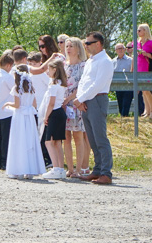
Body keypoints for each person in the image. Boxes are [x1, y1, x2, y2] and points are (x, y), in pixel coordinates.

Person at [73, 32, 114, 185]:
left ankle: (106, 173)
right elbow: (84, 81)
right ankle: (97, 170)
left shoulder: (105, 61)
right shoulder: (91, 60)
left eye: (89, 43)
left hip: (97, 99)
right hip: (87, 100)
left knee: (100, 137)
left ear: (98, 43)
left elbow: (97, 85)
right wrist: (81, 99)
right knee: (92, 138)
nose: (86, 46)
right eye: (86, 43)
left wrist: (80, 99)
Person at [5, 65, 45, 179]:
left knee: (19, 141)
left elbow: (17, 105)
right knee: (29, 141)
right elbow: (34, 104)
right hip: (29, 117)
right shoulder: (31, 88)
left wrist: (8, 104)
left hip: (20, 117)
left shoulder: (17, 89)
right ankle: (30, 170)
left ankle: (18, 170)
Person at [63, 37, 89, 178]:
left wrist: (69, 99)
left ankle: (79, 169)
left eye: (71, 46)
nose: (68, 48)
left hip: (76, 104)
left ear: (78, 48)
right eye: (67, 46)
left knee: (78, 136)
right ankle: (70, 168)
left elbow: (82, 86)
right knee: (66, 138)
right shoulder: (64, 65)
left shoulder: (83, 65)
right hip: (64, 105)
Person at [40, 60, 69, 179]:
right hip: (60, 113)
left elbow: (51, 103)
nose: (48, 71)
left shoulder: (53, 85)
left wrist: (46, 116)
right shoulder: (61, 83)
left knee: (48, 141)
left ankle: (56, 168)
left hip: (54, 113)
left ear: (55, 70)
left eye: (50, 69)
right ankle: (60, 168)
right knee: (57, 142)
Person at [0, 50, 15, 171]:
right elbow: (15, 89)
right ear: (8, 65)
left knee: (0, 137)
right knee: (6, 137)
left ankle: (0, 160)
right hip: (7, 111)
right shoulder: (7, 77)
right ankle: (5, 161)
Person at [112, 42, 133, 117]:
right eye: (118, 49)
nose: (120, 50)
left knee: (126, 104)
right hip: (118, 86)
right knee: (120, 104)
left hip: (128, 86)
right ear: (116, 51)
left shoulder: (130, 60)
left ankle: (125, 118)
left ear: (124, 50)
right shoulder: (113, 61)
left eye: (122, 48)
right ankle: (122, 119)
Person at [137, 24, 152, 117]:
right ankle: (147, 111)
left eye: (139, 30)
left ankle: (151, 110)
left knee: (146, 90)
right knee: (143, 90)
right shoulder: (137, 43)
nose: (138, 32)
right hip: (139, 66)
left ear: (145, 31)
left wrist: (145, 53)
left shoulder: (150, 43)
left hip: (147, 67)